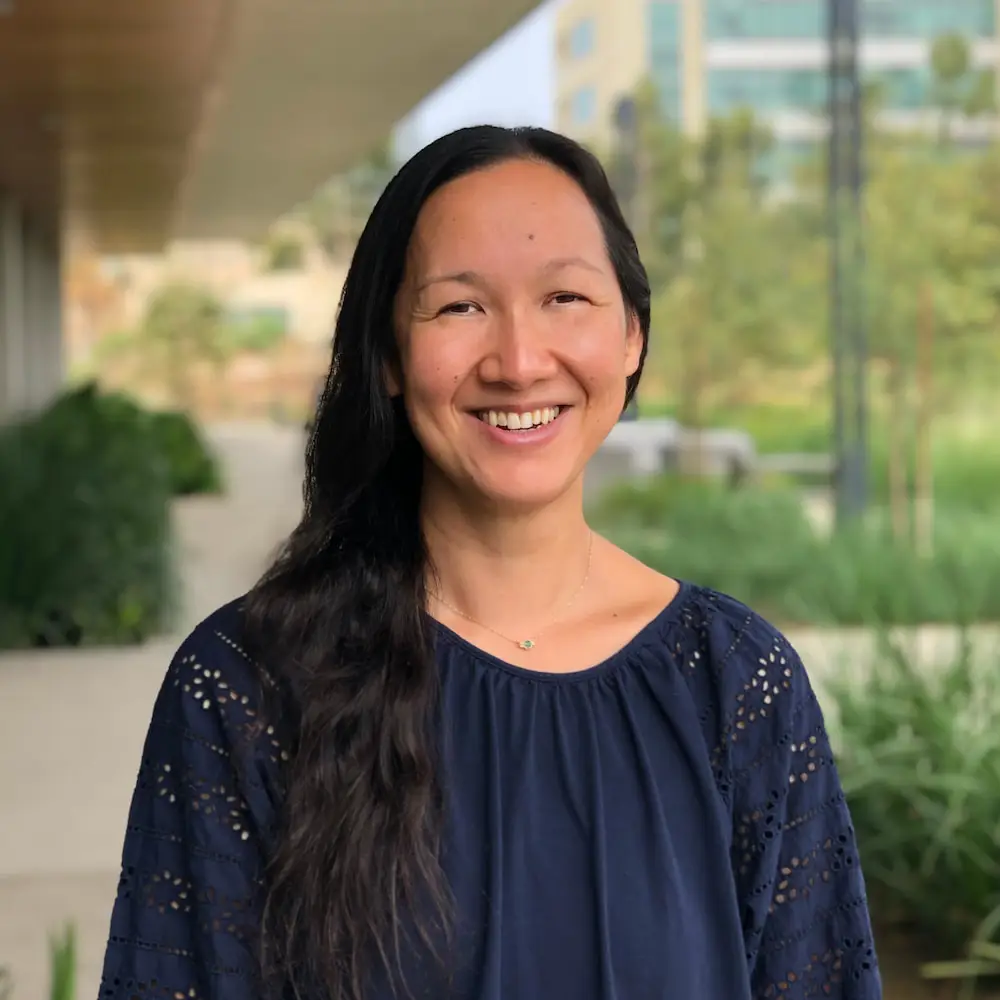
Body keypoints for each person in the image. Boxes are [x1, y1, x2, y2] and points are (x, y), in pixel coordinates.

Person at [97, 126, 881, 1000]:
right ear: (390, 356)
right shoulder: (251, 683)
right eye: (460, 307)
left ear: (631, 337)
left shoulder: (735, 684)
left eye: (566, 299)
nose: (516, 362)